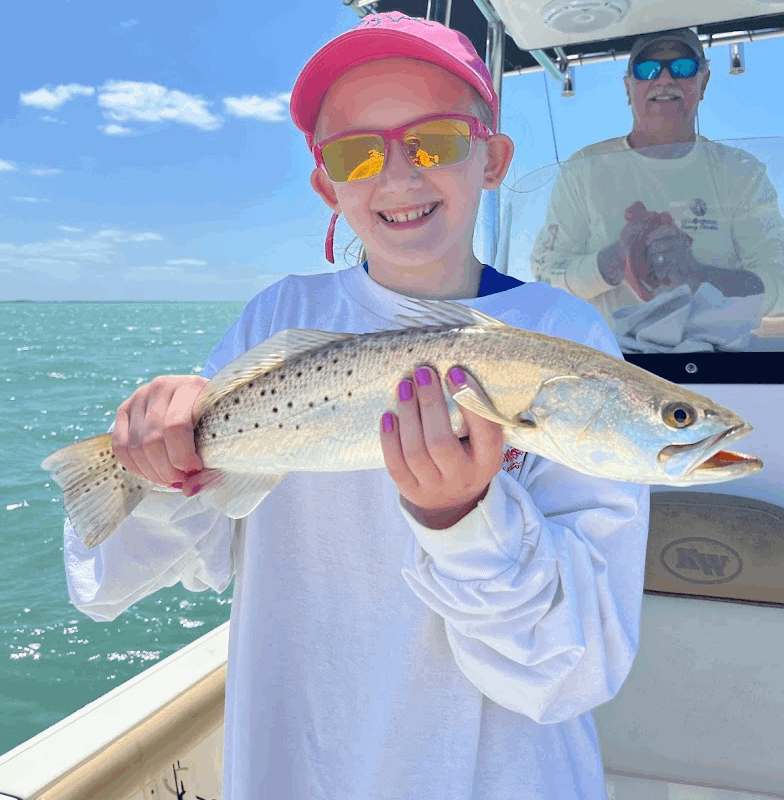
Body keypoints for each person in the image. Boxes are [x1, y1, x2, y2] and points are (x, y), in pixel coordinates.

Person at [62, 13, 648, 800]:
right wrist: (160, 463)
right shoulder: (275, 320)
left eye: (435, 142)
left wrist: (464, 521)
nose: (398, 175)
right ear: (325, 184)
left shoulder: (562, 334)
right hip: (296, 766)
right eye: (356, 152)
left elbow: (572, 672)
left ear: (494, 157)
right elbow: (106, 585)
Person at [530, 27, 784, 328]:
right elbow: (546, 274)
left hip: (717, 363)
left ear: (703, 82)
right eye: (647, 69)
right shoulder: (582, 169)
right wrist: (614, 261)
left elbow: (778, 280)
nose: (664, 79)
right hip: (611, 362)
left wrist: (697, 276)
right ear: (628, 87)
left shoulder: (742, 172)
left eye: (683, 67)